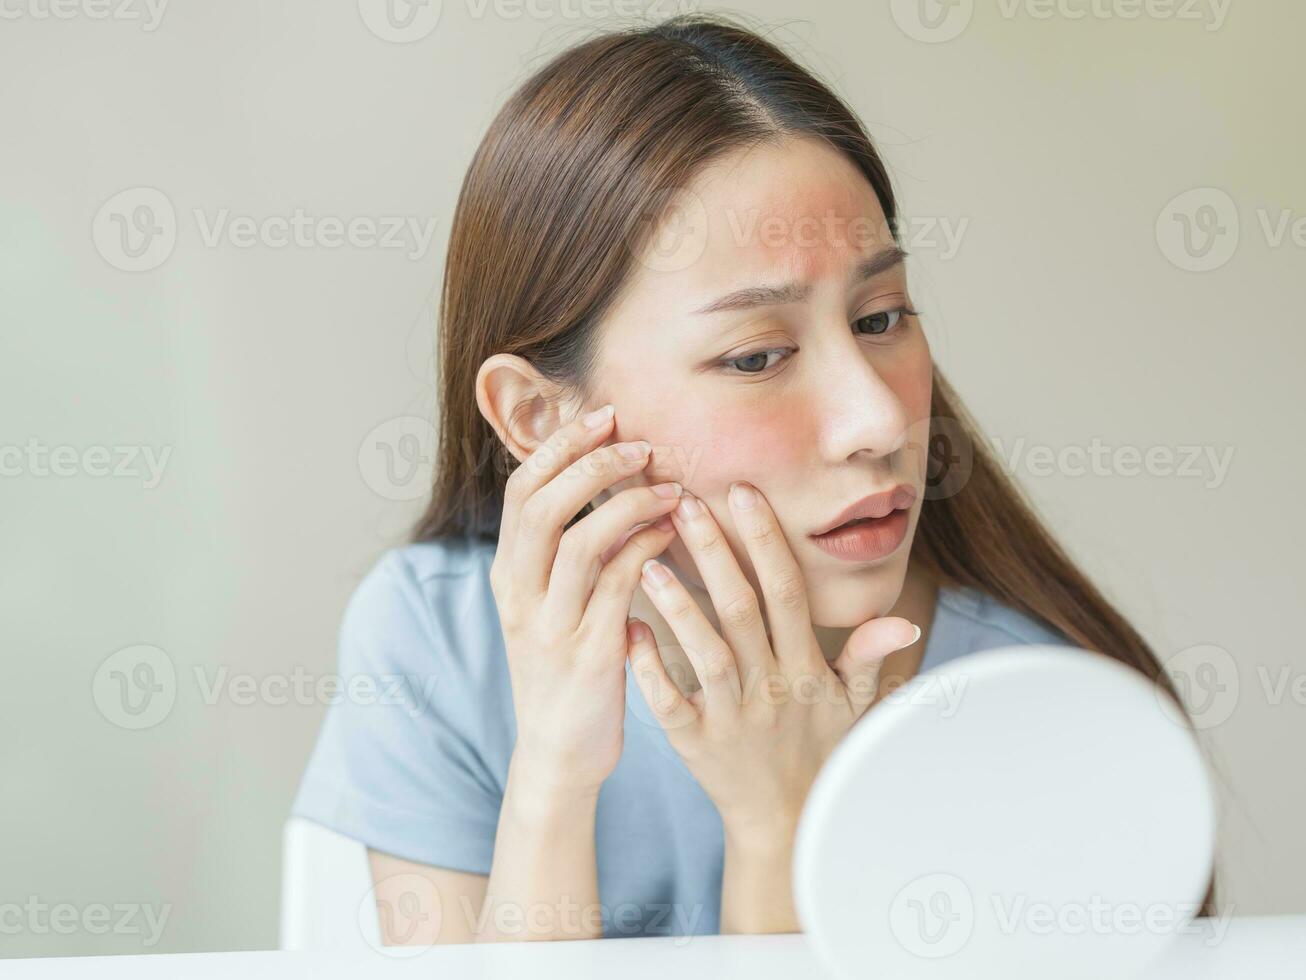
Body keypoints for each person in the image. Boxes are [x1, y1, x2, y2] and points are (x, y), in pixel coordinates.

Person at [291, 12, 1205, 945]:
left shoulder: (1033, 714)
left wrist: (778, 828)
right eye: (759, 357)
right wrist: (554, 775)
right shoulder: (438, 641)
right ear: (539, 418)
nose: (879, 421)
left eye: (882, 317)